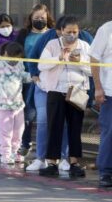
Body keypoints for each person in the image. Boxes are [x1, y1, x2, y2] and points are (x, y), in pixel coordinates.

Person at [25, 16, 93, 171]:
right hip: (56, 89)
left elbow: (92, 70)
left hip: (77, 90)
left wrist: (80, 61)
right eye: (68, 31)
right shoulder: (52, 44)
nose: (71, 35)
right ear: (61, 31)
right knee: (54, 126)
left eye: (75, 32)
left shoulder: (84, 46)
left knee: (75, 127)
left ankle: (74, 162)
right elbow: (42, 65)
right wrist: (59, 58)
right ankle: (52, 162)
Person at [0, 42, 32, 165]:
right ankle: (5, 154)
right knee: (6, 130)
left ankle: (15, 152)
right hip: (1, 103)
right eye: (13, 57)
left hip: (17, 103)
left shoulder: (19, 63)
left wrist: (34, 76)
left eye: (18, 57)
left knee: (19, 130)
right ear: (5, 53)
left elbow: (22, 76)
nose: (15, 60)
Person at [15, 4, 55, 154]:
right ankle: (25, 143)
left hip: (47, 79)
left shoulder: (52, 34)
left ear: (48, 19)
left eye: (43, 18)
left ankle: (46, 147)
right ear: (31, 18)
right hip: (26, 78)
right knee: (27, 113)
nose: (40, 20)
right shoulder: (24, 34)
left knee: (45, 115)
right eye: (36, 18)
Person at [90, 19, 112, 188]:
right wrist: (98, 88)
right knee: (109, 132)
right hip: (110, 92)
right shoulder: (106, 29)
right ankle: (106, 171)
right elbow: (94, 58)